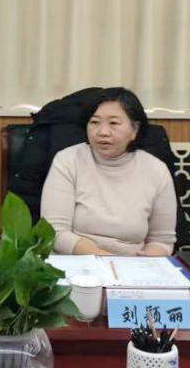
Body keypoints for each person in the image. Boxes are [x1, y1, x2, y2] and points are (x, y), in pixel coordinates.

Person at [41, 87, 177, 256]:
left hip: (134, 264)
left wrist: (147, 260)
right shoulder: (68, 160)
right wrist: (108, 261)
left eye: (113, 123)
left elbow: (162, 240)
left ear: (134, 130)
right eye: (94, 122)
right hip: (77, 261)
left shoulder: (156, 170)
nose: (103, 132)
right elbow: (55, 231)